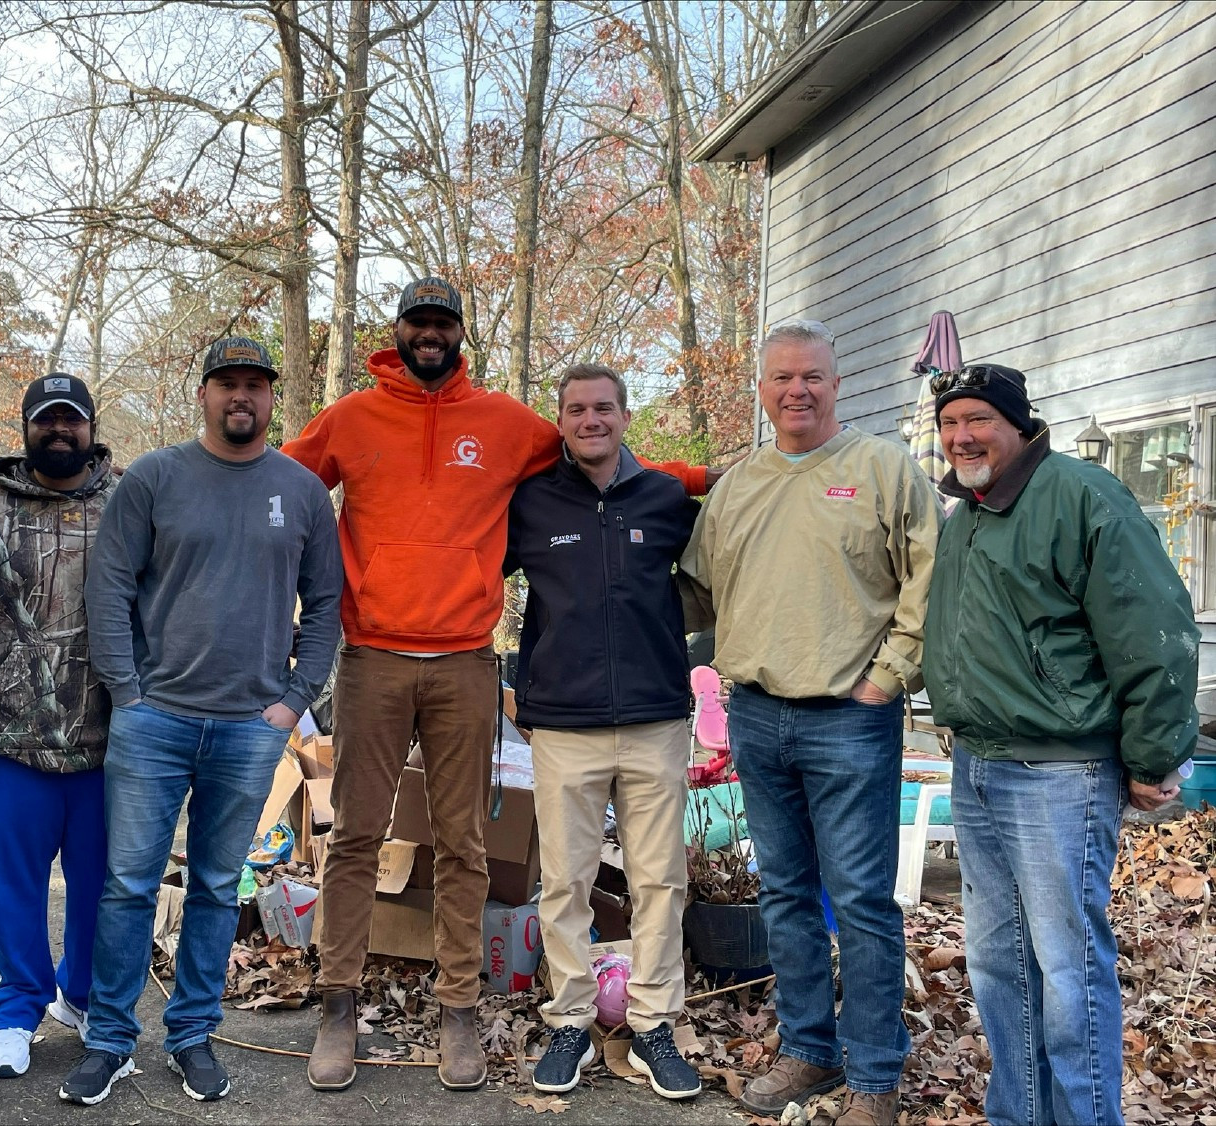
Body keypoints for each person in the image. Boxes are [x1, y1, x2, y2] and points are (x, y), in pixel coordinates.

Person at [284, 277, 712, 1093]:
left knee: (463, 844)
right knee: (354, 837)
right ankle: (338, 1004)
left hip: (465, 663)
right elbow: (283, 483)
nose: (431, 336)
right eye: (419, 323)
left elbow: (612, 466)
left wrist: (696, 476)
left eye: (444, 324)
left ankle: (457, 1012)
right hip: (371, 657)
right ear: (400, 331)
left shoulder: (512, 424)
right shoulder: (351, 417)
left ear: (459, 334)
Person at [60, 336, 342, 1107]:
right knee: (128, 884)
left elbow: (326, 607)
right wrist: (128, 688)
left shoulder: (302, 489)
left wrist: (294, 697)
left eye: (255, 384)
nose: (240, 397)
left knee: (218, 886)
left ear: (269, 397)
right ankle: (110, 1040)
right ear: (205, 394)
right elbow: (109, 588)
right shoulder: (155, 477)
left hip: (252, 727)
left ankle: (191, 1035)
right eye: (227, 384)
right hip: (155, 721)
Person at [680, 319, 940, 1126]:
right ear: (762, 389)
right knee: (785, 895)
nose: (797, 390)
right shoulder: (737, 487)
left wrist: (888, 678)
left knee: (860, 901)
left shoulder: (882, 469)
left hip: (849, 720)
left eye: (813, 377)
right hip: (757, 716)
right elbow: (693, 592)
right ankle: (809, 1051)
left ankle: (875, 1075)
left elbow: (929, 578)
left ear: (837, 383)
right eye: (782, 377)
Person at [923, 364, 1197, 1126]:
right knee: (999, 967)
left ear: (1019, 423)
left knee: (1069, 974)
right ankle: (1020, 1115)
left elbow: (1157, 633)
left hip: (1059, 774)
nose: (961, 436)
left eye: (978, 419)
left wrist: (1149, 756)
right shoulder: (970, 511)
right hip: (979, 765)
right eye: (950, 423)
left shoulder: (1081, 496)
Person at [503, 363, 703, 1101]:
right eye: (577, 410)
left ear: (625, 416)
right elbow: (476, 573)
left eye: (604, 409)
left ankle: (653, 1026)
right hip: (563, 721)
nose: (591, 420)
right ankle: (570, 1023)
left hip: (655, 717)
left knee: (659, 881)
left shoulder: (667, 497)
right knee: (565, 882)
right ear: (560, 421)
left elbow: (710, 579)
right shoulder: (531, 503)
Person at [0, 373, 117, 1078]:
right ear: (26, 429)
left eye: (72, 421)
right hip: (7, 740)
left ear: (90, 428)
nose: (60, 432)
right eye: (46, 421)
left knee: (102, 887)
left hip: (109, 742)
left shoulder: (129, 505)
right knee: (11, 887)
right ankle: (17, 1007)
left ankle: (80, 997)